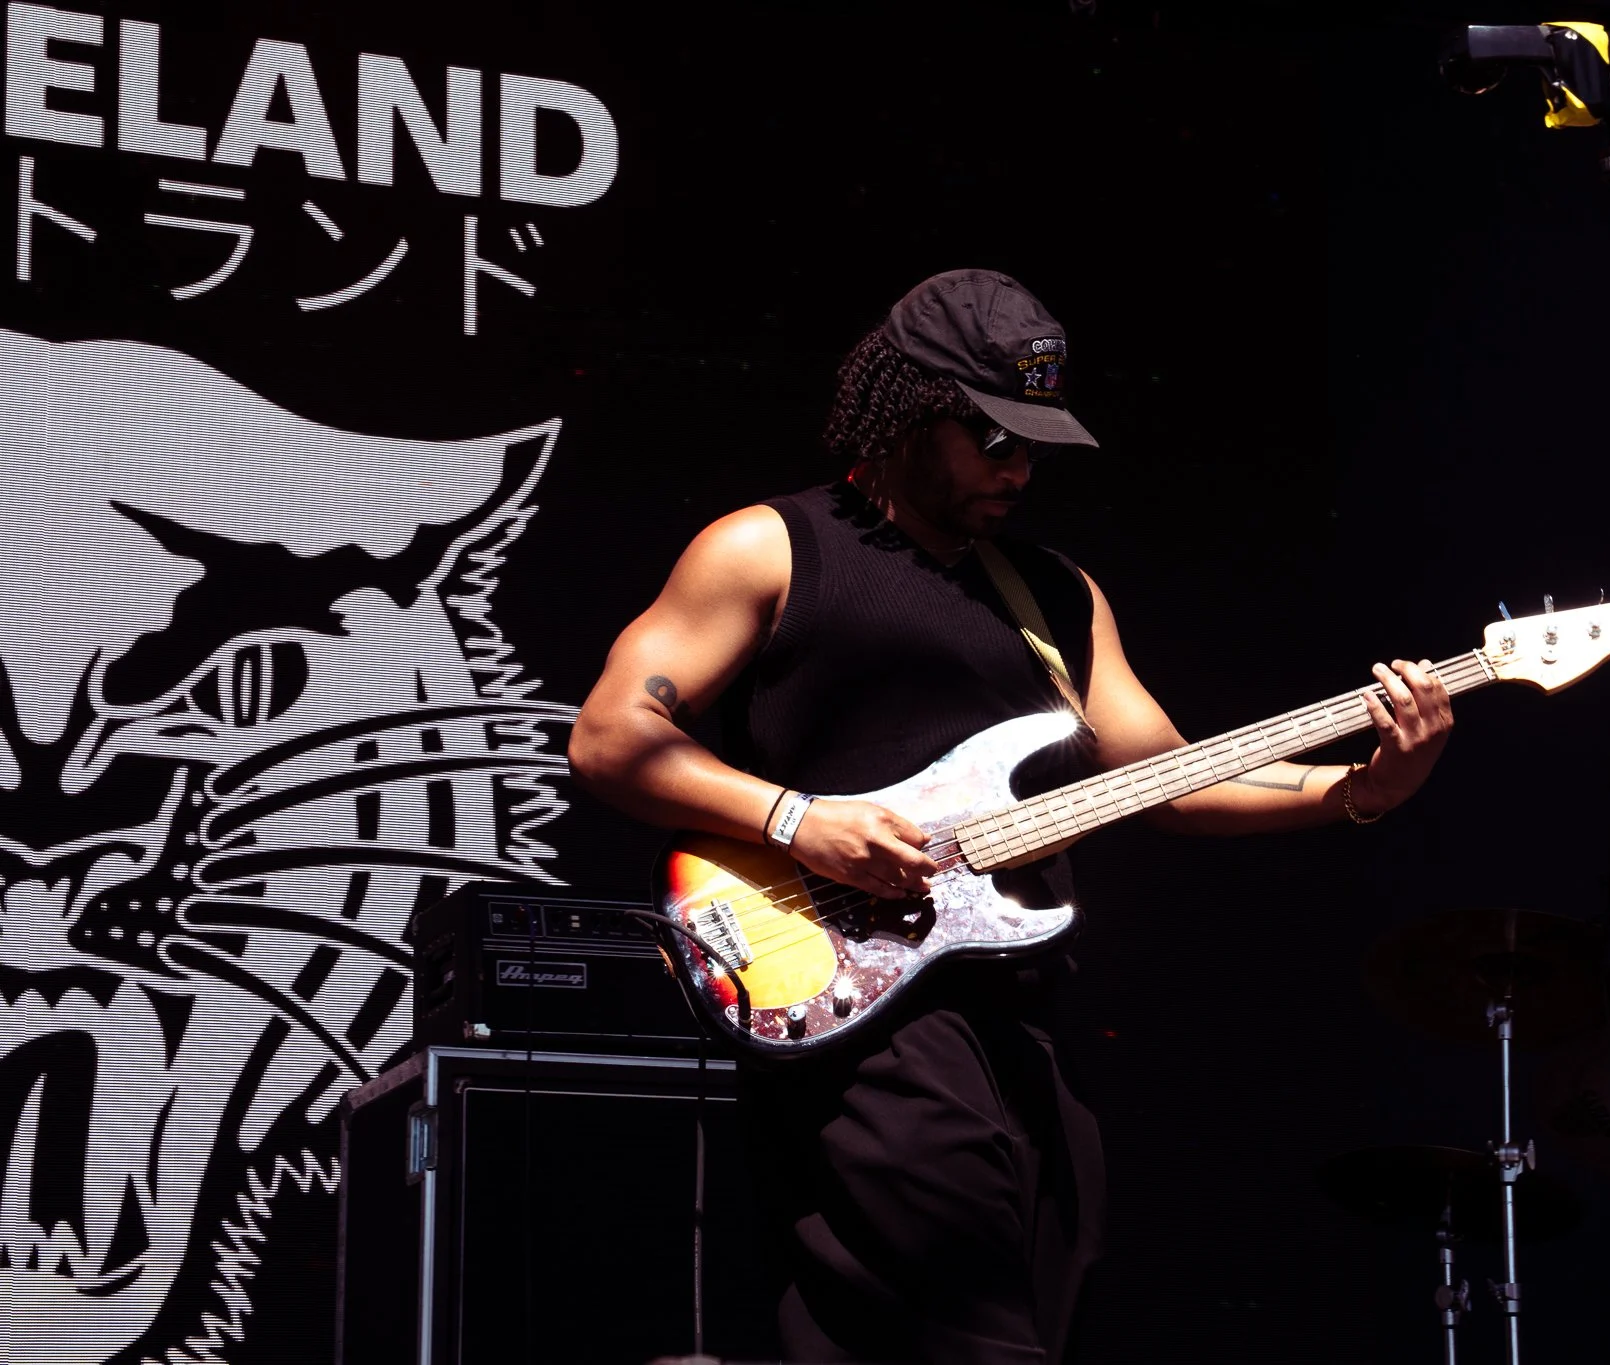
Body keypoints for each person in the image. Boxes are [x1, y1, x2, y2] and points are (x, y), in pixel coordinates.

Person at [567, 268, 1455, 1363]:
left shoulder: (1054, 592)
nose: (1019, 467)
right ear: (907, 412)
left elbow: (1170, 776)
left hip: (1016, 1016)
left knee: (1027, 1313)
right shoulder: (768, 548)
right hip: (853, 1004)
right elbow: (612, 738)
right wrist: (801, 820)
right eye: (991, 438)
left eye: (1033, 443)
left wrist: (1361, 788)